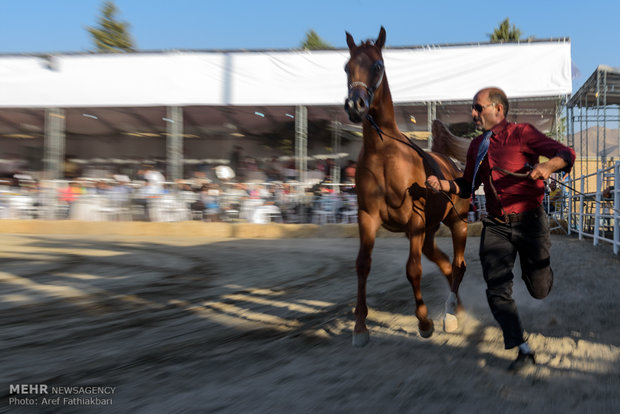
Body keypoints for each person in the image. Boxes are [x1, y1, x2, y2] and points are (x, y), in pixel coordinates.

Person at [426, 87, 576, 372]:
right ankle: (522, 348)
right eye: (473, 107)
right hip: (495, 226)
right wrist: (444, 185)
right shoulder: (477, 146)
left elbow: (565, 152)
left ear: (498, 109)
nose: (473, 113)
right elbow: (466, 183)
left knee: (540, 289)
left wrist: (549, 166)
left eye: (477, 107)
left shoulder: (523, 134)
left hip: (530, 222)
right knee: (496, 289)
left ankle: (541, 274)